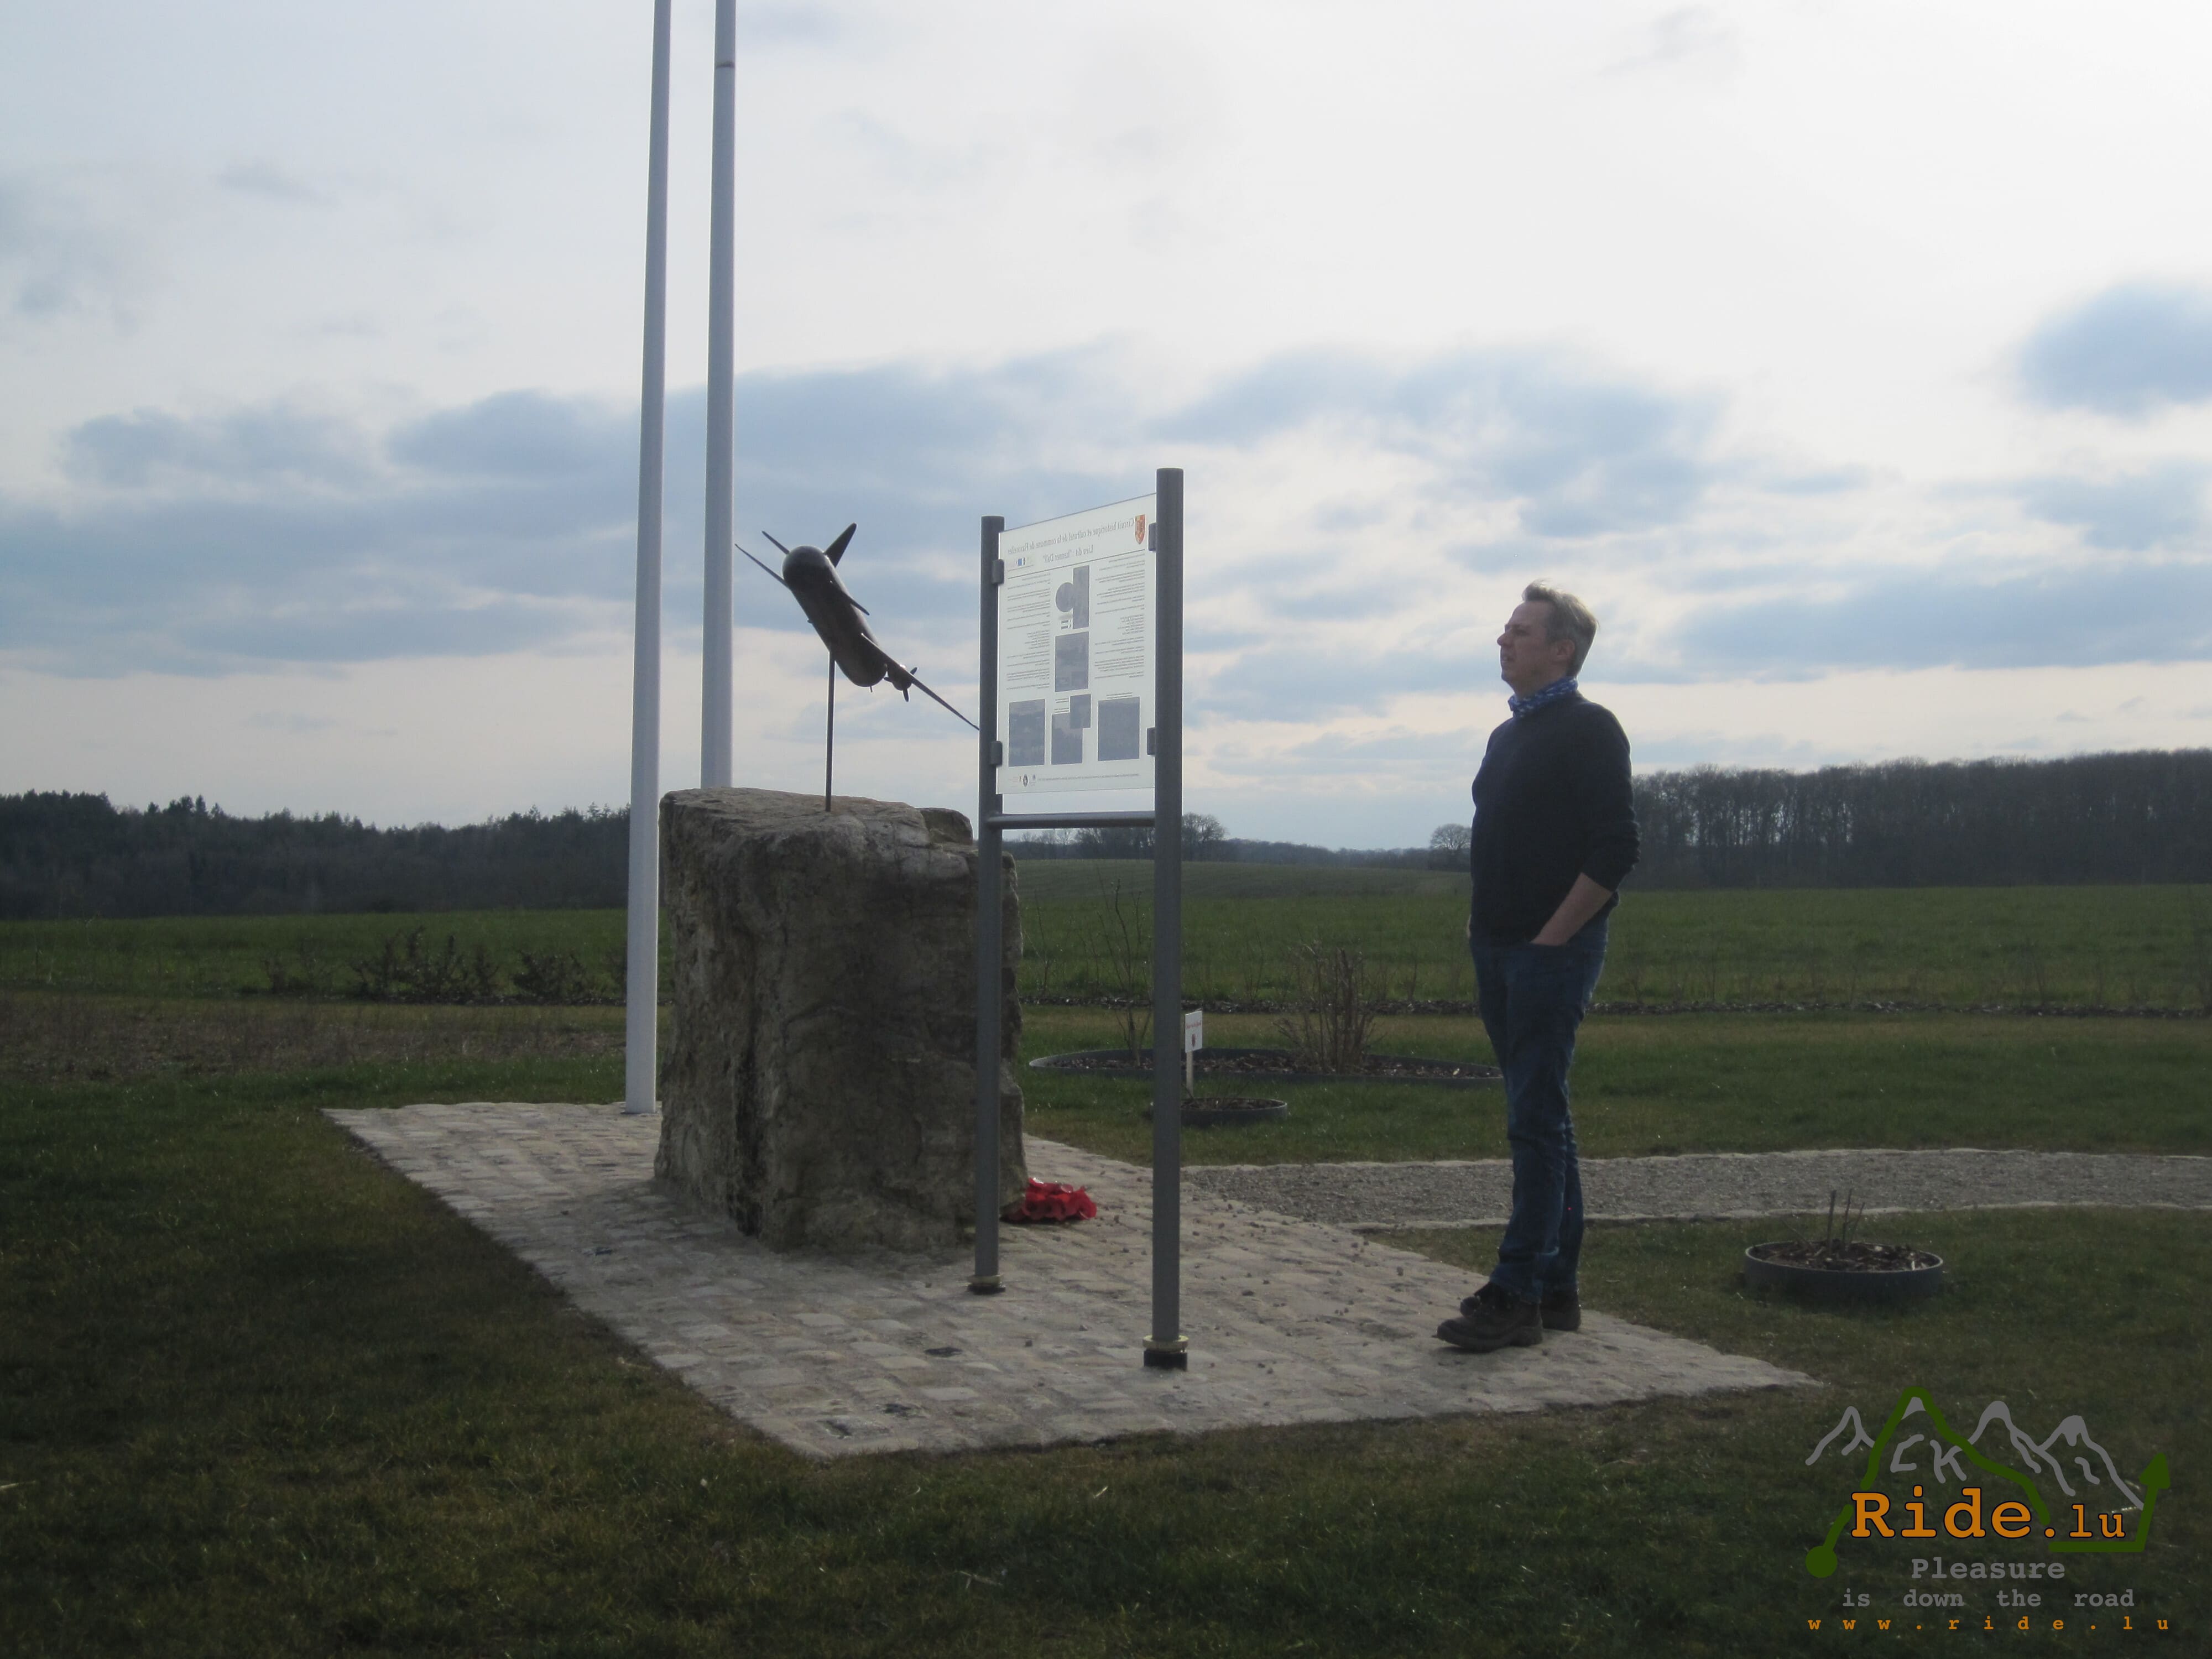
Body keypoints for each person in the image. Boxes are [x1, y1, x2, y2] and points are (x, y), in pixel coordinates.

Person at [1436, 582, 1638, 1353]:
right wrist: (1483, 925)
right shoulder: (1507, 735)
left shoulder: (1591, 729)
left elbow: (1617, 850)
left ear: (1563, 650)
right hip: (1498, 947)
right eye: (1505, 629)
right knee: (1542, 1115)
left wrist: (1552, 939)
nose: (1504, 640)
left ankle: (1515, 1292)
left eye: (1520, 631)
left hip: (1550, 954)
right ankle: (1556, 1288)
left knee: (1535, 1120)